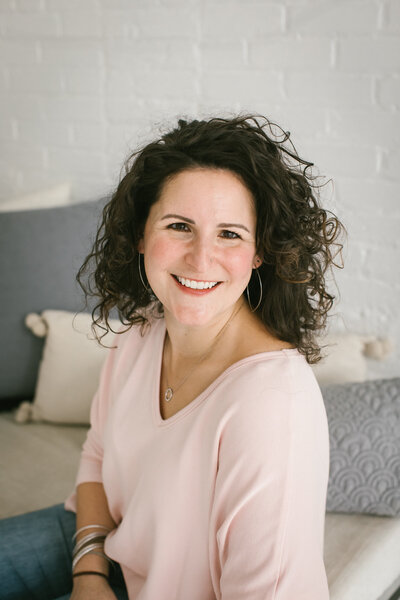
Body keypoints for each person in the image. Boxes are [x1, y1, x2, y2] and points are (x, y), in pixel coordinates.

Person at [0, 114, 343, 600]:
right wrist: (89, 577)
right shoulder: (141, 334)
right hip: (103, 544)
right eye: (180, 226)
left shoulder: (272, 405)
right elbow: (97, 459)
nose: (201, 260)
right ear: (141, 235)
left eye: (230, 234)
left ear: (260, 251)